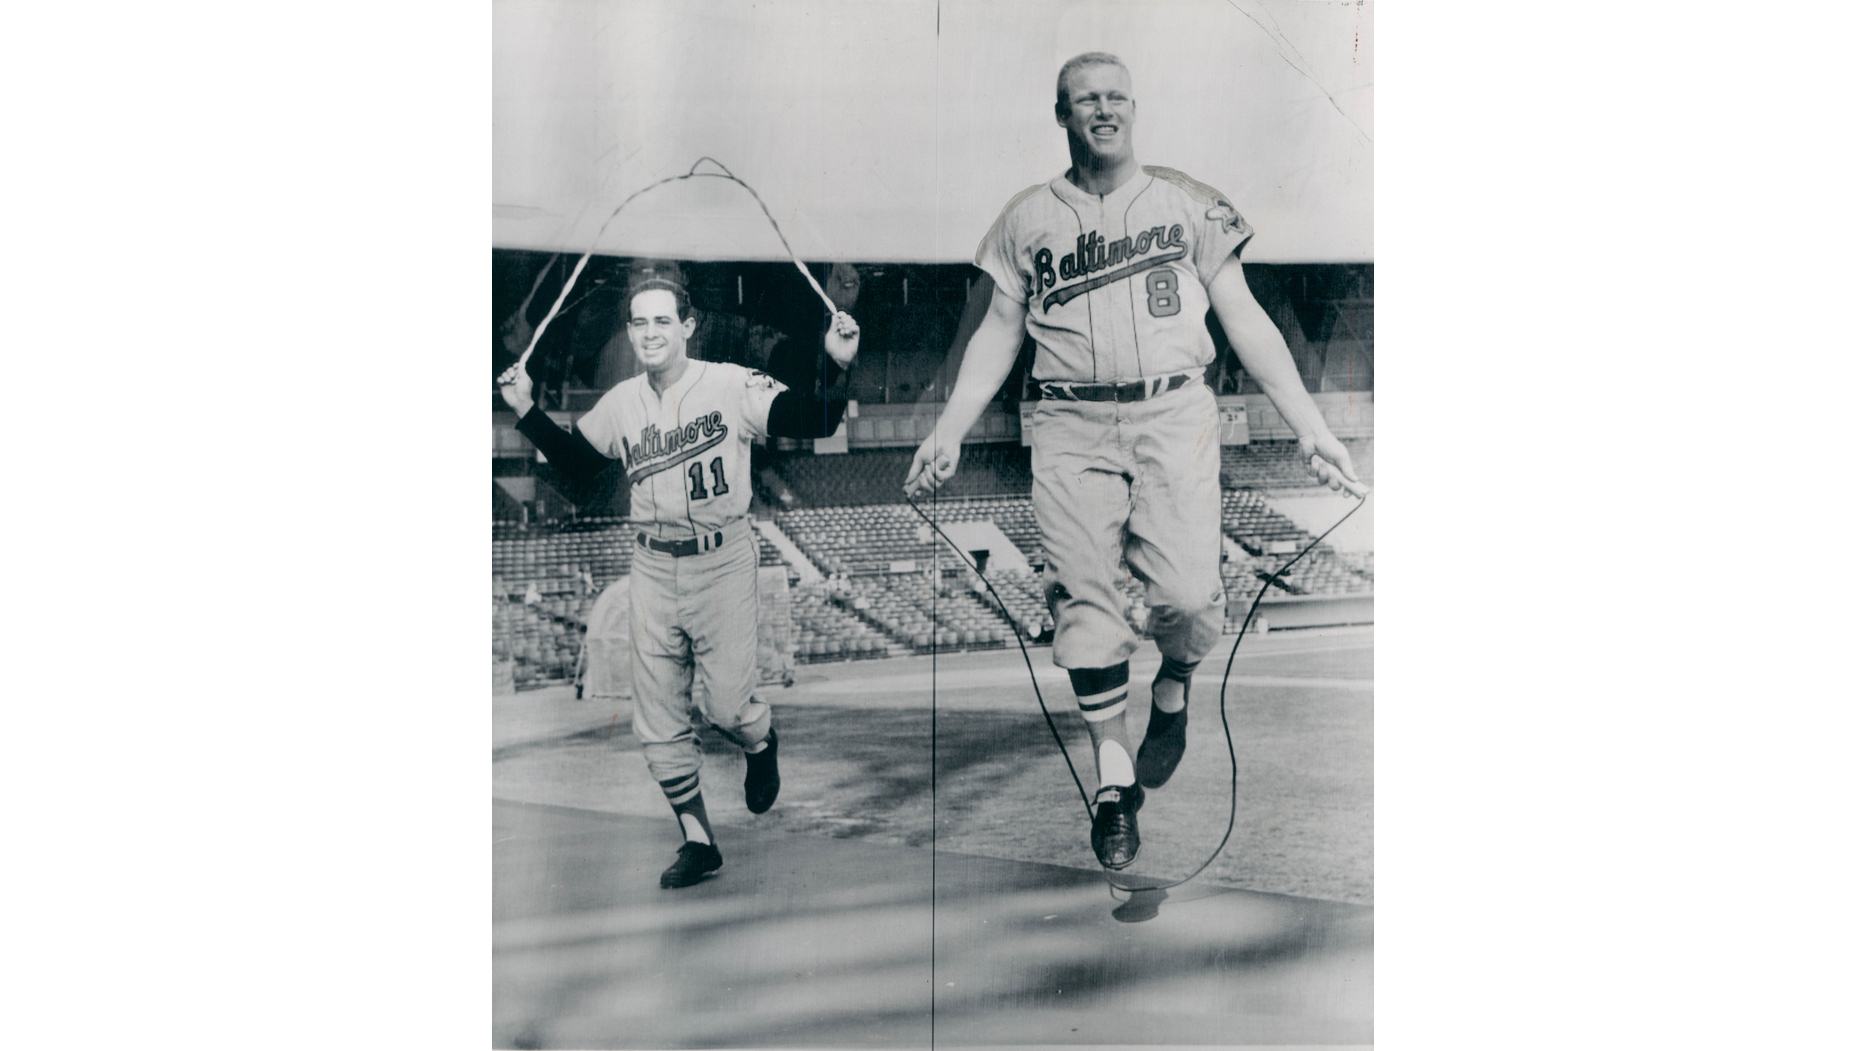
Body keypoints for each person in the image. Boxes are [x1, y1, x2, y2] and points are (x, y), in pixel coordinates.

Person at [905, 52, 1365, 871]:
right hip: (1067, 422)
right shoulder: (1025, 218)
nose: (1103, 110)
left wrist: (1310, 425)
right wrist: (947, 428)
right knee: (1087, 609)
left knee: (1189, 602)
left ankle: (1174, 689)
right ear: (1062, 115)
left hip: (1174, 409)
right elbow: (998, 335)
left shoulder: (1186, 202)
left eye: (1116, 97)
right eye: (1086, 101)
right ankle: (1113, 788)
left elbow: (1247, 319)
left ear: (1135, 108)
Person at [502, 262, 860, 888]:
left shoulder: (731, 385)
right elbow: (577, 465)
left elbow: (817, 418)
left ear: (688, 326)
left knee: (727, 704)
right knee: (657, 718)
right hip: (651, 563)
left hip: (722, 558)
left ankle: (758, 742)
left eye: (662, 320)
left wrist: (836, 363)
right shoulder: (622, 403)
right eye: (638, 322)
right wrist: (527, 410)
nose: (648, 333)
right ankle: (698, 840)